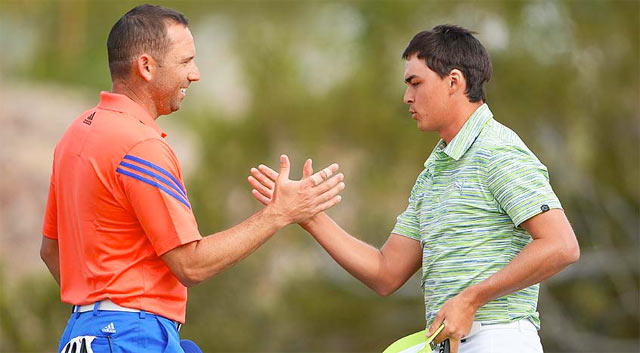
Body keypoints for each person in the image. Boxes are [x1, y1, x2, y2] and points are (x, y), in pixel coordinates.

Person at [248, 24, 580, 353]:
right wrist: (306, 215)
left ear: (454, 82)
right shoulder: (435, 170)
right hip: (450, 344)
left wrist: (471, 298)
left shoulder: (498, 150)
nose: (407, 96)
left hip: (500, 339)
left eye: (415, 83)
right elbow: (385, 272)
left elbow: (561, 245)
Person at [39, 4, 345, 353]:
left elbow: (51, 251)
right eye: (185, 62)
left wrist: (99, 306)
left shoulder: (75, 135)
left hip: (82, 332)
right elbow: (191, 264)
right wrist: (279, 212)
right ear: (146, 67)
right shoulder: (140, 144)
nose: (195, 74)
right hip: (129, 337)